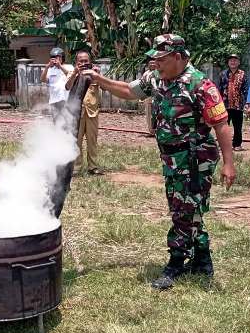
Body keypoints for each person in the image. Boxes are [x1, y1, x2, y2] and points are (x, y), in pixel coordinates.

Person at [81, 34, 236, 290]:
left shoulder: (200, 85)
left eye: (162, 59)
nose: (157, 64)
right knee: (189, 209)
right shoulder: (156, 79)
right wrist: (100, 80)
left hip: (194, 159)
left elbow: (221, 125)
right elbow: (129, 91)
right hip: (172, 159)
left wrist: (229, 164)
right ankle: (202, 260)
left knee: (183, 211)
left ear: (178, 57)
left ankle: (176, 263)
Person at [65, 49, 103, 175]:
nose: (83, 63)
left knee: (92, 141)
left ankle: (93, 166)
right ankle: (77, 167)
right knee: (77, 140)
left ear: (90, 61)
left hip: (92, 112)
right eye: (80, 61)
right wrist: (76, 73)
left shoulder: (95, 73)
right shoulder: (72, 73)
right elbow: (67, 86)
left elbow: (104, 87)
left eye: (86, 61)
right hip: (76, 113)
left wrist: (98, 75)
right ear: (76, 62)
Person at [218, 54, 248, 151]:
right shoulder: (223, 74)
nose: (233, 62)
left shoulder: (243, 74)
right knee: (224, 127)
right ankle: (224, 145)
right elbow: (219, 89)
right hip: (225, 105)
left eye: (235, 60)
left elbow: (245, 90)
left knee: (237, 126)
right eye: (231, 60)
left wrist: (247, 103)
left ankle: (237, 144)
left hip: (238, 105)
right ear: (228, 62)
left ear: (238, 62)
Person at [40, 47, 73, 118]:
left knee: (68, 119)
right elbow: (43, 79)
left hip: (66, 99)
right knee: (57, 120)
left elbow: (71, 75)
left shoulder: (69, 67)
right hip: (54, 100)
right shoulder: (50, 69)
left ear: (62, 58)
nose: (55, 59)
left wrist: (60, 66)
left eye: (58, 57)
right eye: (53, 57)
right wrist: (47, 67)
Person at [143, 57, 158, 136]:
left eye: (153, 63)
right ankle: (151, 131)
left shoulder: (158, 72)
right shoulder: (146, 73)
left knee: (156, 113)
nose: (152, 65)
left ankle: (156, 130)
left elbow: (155, 83)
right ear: (148, 65)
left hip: (156, 96)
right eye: (150, 63)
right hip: (148, 96)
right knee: (149, 113)